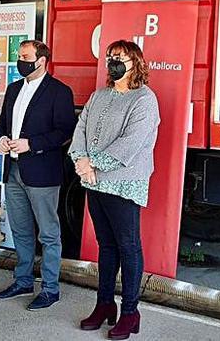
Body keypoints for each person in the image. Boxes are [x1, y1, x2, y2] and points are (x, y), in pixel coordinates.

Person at [69, 40, 160, 340]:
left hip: (123, 184)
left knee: (128, 246)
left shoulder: (144, 100)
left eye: (119, 58)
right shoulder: (99, 96)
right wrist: (80, 161)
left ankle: (131, 311)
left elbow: (130, 143)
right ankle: (104, 304)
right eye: (110, 58)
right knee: (106, 247)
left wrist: (92, 164)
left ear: (135, 62)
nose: (113, 62)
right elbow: (80, 128)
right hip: (94, 183)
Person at [0, 40, 76, 310]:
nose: (20, 61)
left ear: (41, 61)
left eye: (25, 57)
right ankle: (23, 280)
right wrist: (3, 137)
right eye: (19, 56)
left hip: (42, 172)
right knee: (21, 230)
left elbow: (64, 131)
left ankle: (50, 289)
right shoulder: (14, 88)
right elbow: (3, 123)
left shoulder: (59, 92)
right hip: (14, 169)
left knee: (48, 234)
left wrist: (33, 144)